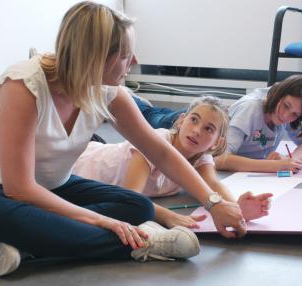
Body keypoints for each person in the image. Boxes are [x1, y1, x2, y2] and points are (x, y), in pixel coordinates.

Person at [0, 1, 246, 277]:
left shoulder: (110, 91)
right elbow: (19, 188)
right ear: (98, 58)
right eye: (126, 54)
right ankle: (144, 243)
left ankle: (23, 248)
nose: (136, 60)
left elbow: (161, 152)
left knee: (139, 207)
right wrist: (101, 220)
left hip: (54, 189)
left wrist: (213, 202)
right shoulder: (22, 87)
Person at [73, 96, 273, 229]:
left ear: (217, 143)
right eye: (194, 120)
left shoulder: (201, 156)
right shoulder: (156, 143)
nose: (196, 131)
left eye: (208, 129)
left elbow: (213, 185)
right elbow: (131, 199)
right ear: (181, 120)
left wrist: (236, 208)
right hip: (79, 163)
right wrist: (165, 215)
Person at [215, 75, 302, 173]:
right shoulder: (249, 109)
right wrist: (275, 166)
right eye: (286, 106)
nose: (286, 116)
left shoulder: (290, 112)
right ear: (278, 95)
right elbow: (219, 158)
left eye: (295, 114)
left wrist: (289, 160)